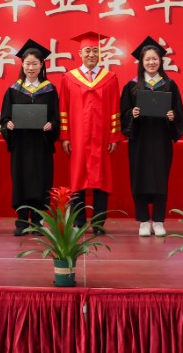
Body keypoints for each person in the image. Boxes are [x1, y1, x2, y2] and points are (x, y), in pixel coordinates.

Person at [59, 31, 124, 236]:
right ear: (80, 53)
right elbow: (63, 109)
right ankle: (78, 221)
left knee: (101, 180)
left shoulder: (110, 78)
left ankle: (98, 223)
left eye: (95, 50)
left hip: (102, 137)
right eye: (87, 50)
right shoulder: (69, 79)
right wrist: (65, 136)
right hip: (78, 138)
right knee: (78, 179)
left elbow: (115, 109)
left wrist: (114, 136)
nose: (91, 54)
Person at [120, 36, 183, 238]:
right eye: (147, 59)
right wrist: (132, 114)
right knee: (139, 178)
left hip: (161, 140)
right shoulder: (131, 86)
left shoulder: (169, 85)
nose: (151, 62)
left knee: (160, 179)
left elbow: (179, 112)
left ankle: (158, 220)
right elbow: (123, 113)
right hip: (139, 141)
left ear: (160, 61)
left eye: (154, 59)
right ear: (141, 62)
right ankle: (143, 221)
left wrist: (173, 117)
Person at [0, 39, 60, 236]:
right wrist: (8, 124)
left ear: (42, 65)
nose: (31, 68)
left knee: (41, 181)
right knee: (21, 180)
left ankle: (38, 220)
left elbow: (56, 117)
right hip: (21, 144)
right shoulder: (13, 90)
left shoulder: (49, 90)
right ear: (22, 65)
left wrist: (52, 125)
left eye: (35, 64)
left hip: (41, 144)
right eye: (27, 64)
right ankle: (22, 221)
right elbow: (5, 117)